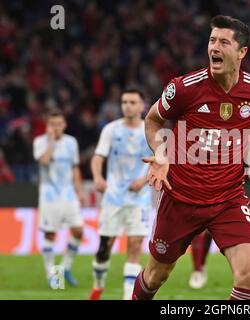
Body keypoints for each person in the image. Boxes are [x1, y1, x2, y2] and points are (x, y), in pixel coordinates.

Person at [132, 15, 250, 300]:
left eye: (224, 42)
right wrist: (162, 154)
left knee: (248, 275)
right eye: (212, 40)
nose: (215, 47)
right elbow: (152, 120)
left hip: (228, 199)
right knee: (155, 276)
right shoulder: (185, 88)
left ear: (242, 52)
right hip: (180, 198)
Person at [89, 89, 152, 300]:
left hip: (140, 198)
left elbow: (160, 162)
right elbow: (98, 157)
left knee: (134, 246)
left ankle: (127, 297)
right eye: (124, 102)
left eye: (133, 102)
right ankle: (98, 284)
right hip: (113, 198)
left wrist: (143, 181)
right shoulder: (111, 129)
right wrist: (98, 177)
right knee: (104, 248)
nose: (127, 106)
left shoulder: (150, 130)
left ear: (143, 106)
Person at [33, 109, 84, 287]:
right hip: (49, 196)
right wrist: (51, 142)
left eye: (59, 124)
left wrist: (79, 190)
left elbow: (75, 167)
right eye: (52, 124)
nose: (55, 128)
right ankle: (53, 276)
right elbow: (44, 161)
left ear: (64, 125)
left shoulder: (71, 142)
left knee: (78, 231)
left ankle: (65, 267)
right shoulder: (40, 142)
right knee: (50, 234)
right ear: (48, 126)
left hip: (68, 194)